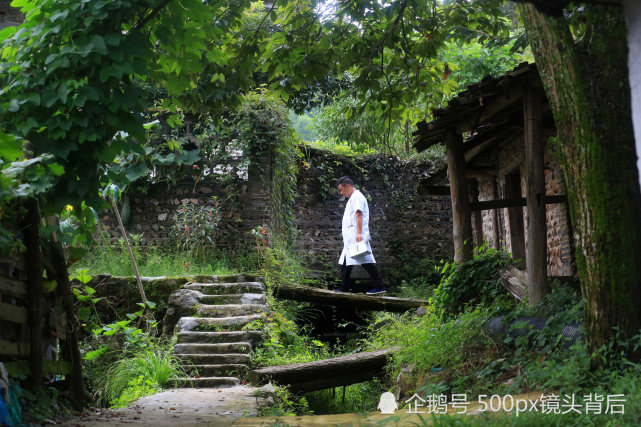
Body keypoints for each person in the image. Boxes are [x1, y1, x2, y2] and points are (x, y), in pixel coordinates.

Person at [336, 176, 386, 295]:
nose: (341, 192)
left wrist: (359, 233)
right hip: (351, 238)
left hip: (356, 236)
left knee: (366, 261)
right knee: (345, 262)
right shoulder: (354, 197)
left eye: (341, 190)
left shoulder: (357, 197)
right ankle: (344, 287)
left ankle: (379, 286)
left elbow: (359, 214)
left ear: (347, 186)